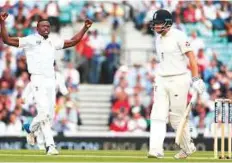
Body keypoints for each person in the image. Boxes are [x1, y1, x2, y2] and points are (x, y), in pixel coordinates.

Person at [0, 12, 92, 155]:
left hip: (51, 80)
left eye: (48, 26)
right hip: (37, 79)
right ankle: (50, 146)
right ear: (37, 28)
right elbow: (6, 40)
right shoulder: (30, 40)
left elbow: (73, 41)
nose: (46, 28)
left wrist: (85, 28)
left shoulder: (52, 41)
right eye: (43, 26)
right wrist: (2, 23)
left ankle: (30, 128)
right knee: (43, 112)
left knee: (48, 116)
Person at [148, 9, 205, 159]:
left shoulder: (179, 35)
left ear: (168, 23)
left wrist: (196, 78)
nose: (156, 27)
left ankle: (187, 147)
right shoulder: (158, 38)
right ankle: (155, 149)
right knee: (157, 115)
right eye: (155, 24)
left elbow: (192, 58)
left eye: (159, 23)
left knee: (176, 119)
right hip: (161, 79)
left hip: (179, 79)